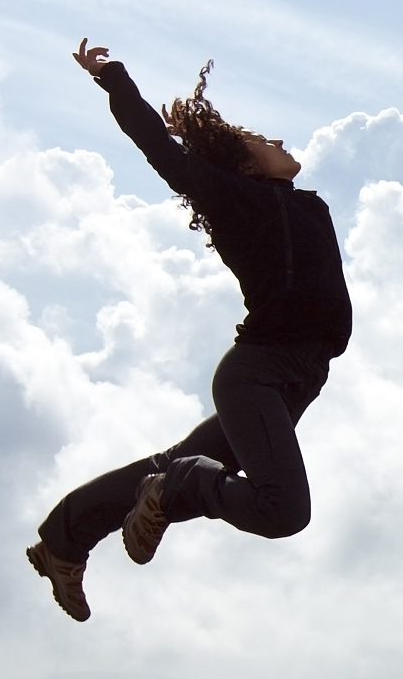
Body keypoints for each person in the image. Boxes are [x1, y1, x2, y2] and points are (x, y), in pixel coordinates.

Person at [25, 41, 352, 621]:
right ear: (246, 165)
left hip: (300, 376)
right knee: (283, 510)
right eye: (262, 141)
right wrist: (114, 80)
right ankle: (184, 484)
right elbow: (159, 148)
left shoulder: (308, 206)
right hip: (259, 373)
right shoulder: (236, 200)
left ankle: (63, 541)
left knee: (167, 466)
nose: (276, 141)